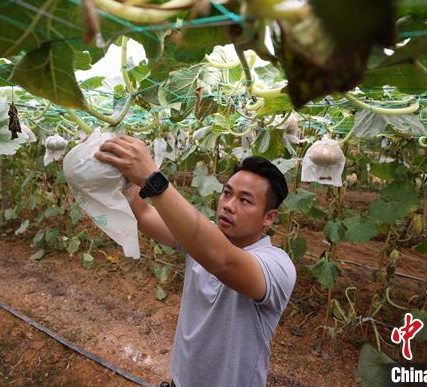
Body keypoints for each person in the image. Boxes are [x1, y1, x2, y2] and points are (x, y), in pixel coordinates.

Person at [95, 135, 297, 387]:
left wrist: (153, 179)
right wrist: (123, 178)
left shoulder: (277, 266)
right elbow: (146, 214)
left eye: (244, 200)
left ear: (269, 217)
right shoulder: (201, 240)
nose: (228, 206)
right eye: (227, 193)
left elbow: (223, 261)